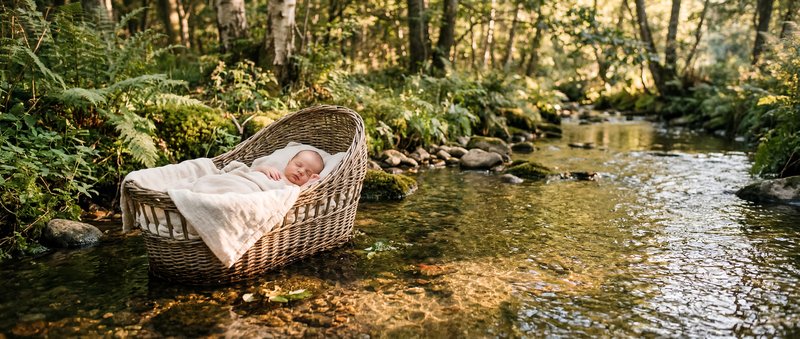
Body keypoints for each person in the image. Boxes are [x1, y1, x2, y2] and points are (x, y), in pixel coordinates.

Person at [252, 150, 324, 186]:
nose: (301, 171)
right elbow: (252, 170)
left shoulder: (295, 189)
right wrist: (264, 168)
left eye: (308, 173)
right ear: (289, 162)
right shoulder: (275, 171)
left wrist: (309, 183)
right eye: (298, 165)